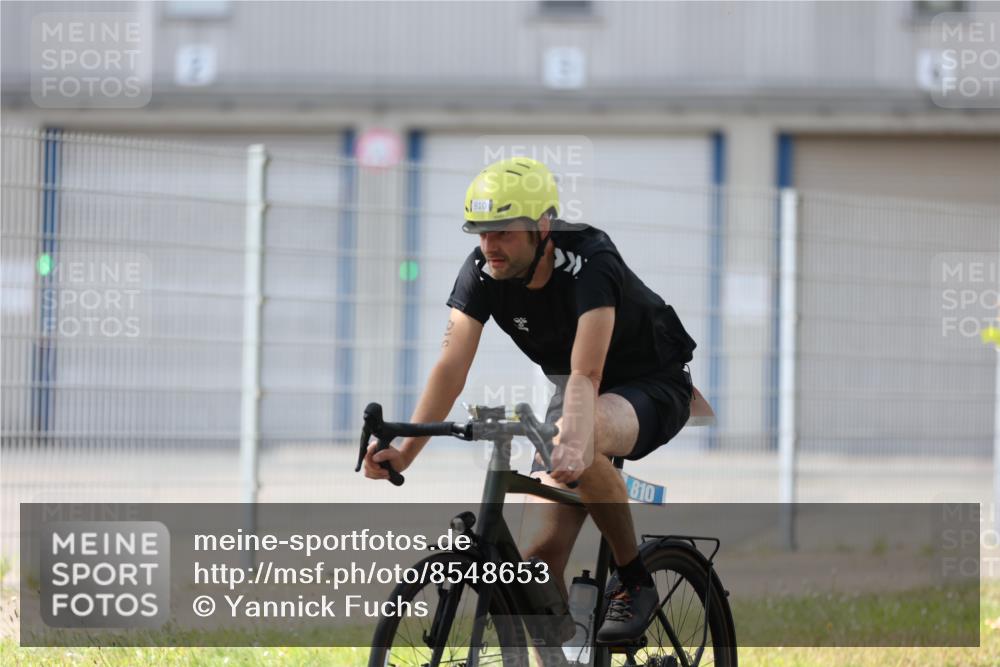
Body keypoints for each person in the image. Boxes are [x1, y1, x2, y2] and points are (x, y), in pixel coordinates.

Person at [363, 157, 697, 643]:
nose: (489, 245)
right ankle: (563, 649)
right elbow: (450, 367)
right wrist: (406, 452)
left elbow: (588, 371)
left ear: (543, 226)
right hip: (576, 388)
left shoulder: (590, 258)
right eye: (481, 232)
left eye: (503, 232)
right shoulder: (483, 269)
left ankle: (634, 580)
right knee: (535, 570)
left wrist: (574, 440)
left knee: (583, 443)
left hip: (650, 381)